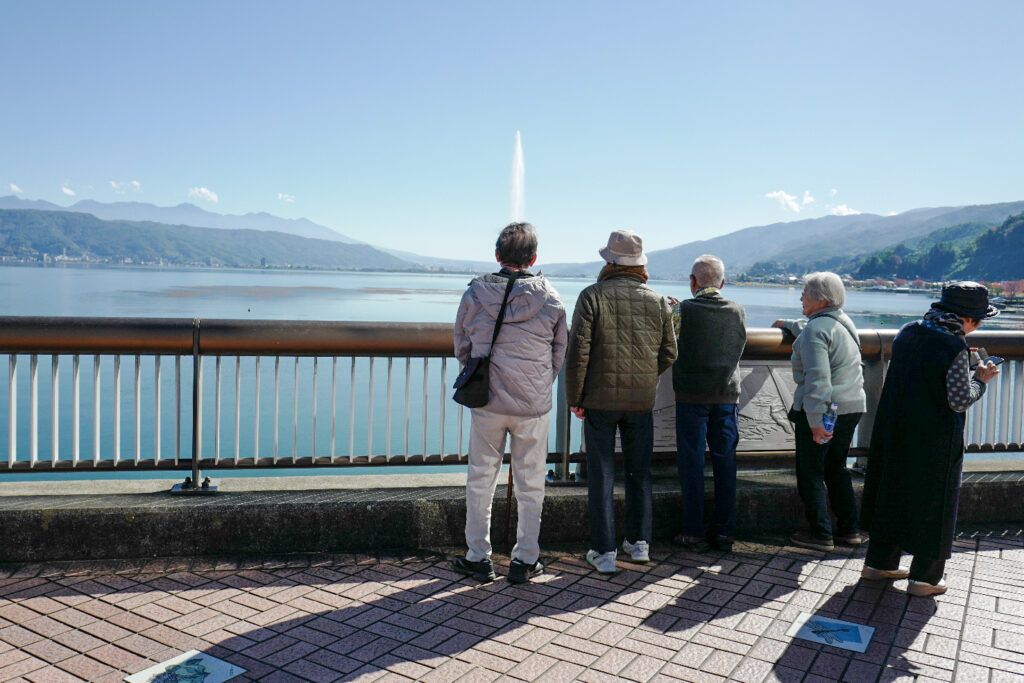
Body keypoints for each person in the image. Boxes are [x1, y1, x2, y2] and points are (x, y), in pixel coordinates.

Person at [860, 282, 1000, 596]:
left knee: (892, 493)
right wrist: (981, 379)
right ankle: (925, 579)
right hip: (934, 440)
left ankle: (878, 563)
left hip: (895, 431)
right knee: (934, 504)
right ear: (969, 319)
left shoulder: (908, 332)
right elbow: (959, 399)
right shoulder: (953, 346)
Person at [452, 222, 568, 584]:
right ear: (534, 258)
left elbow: (463, 347)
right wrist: (535, 384)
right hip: (532, 405)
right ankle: (525, 560)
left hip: (488, 401)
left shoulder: (474, 294)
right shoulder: (550, 297)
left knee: (481, 479)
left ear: (498, 255)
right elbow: (559, 352)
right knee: (532, 482)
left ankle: (478, 557)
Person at [565, 230, 677, 574]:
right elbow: (669, 352)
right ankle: (640, 544)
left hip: (599, 401)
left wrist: (575, 398)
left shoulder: (592, 296)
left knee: (601, 474)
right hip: (640, 402)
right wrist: (644, 377)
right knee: (639, 473)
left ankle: (604, 552)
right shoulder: (658, 301)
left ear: (609, 263)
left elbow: (578, 352)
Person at [772, 272, 866, 552]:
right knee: (836, 469)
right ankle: (850, 530)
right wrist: (791, 324)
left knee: (811, 472)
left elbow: (817, 380)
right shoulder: (843, 322)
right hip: (851, 407)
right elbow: (815, 331)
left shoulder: (816, 330)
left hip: (824, 412)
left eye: (805, 292)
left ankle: (820, 534)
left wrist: (815, 422)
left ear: (821, 299)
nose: (801, 296)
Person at [668, 255, 746, 553]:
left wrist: (674, 310)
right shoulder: (738, 309)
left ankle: (694, 531)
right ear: (723, 283)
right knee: (726, 463)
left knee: (692, 463)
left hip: (691, 396)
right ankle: (725, 532)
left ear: (693, 281)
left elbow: (670, 342)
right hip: (727, 397)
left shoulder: (682, 310)